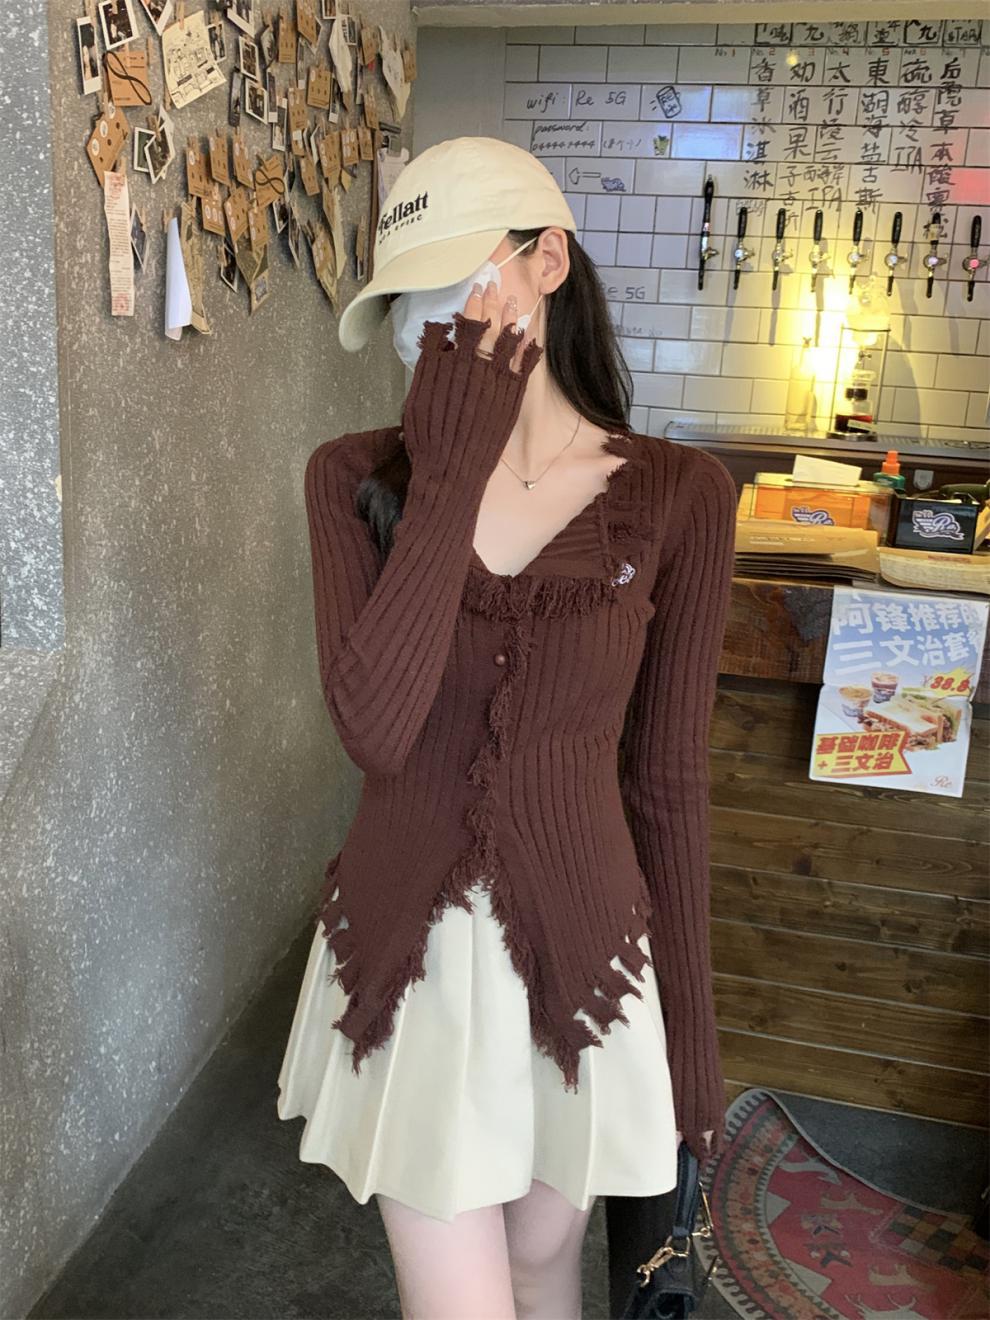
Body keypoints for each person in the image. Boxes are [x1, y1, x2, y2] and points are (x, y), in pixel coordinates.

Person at [277, 136, 736, 1319]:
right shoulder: (353, 479)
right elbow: (377, 731)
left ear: (548, 262)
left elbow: (667, 786)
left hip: (588, 952)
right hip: (409, 961)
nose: (430, 321)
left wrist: (693, 1050)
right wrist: (450, 466)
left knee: (542, 1272)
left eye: (456, 277)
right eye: (406, 300)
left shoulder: (680, 496)